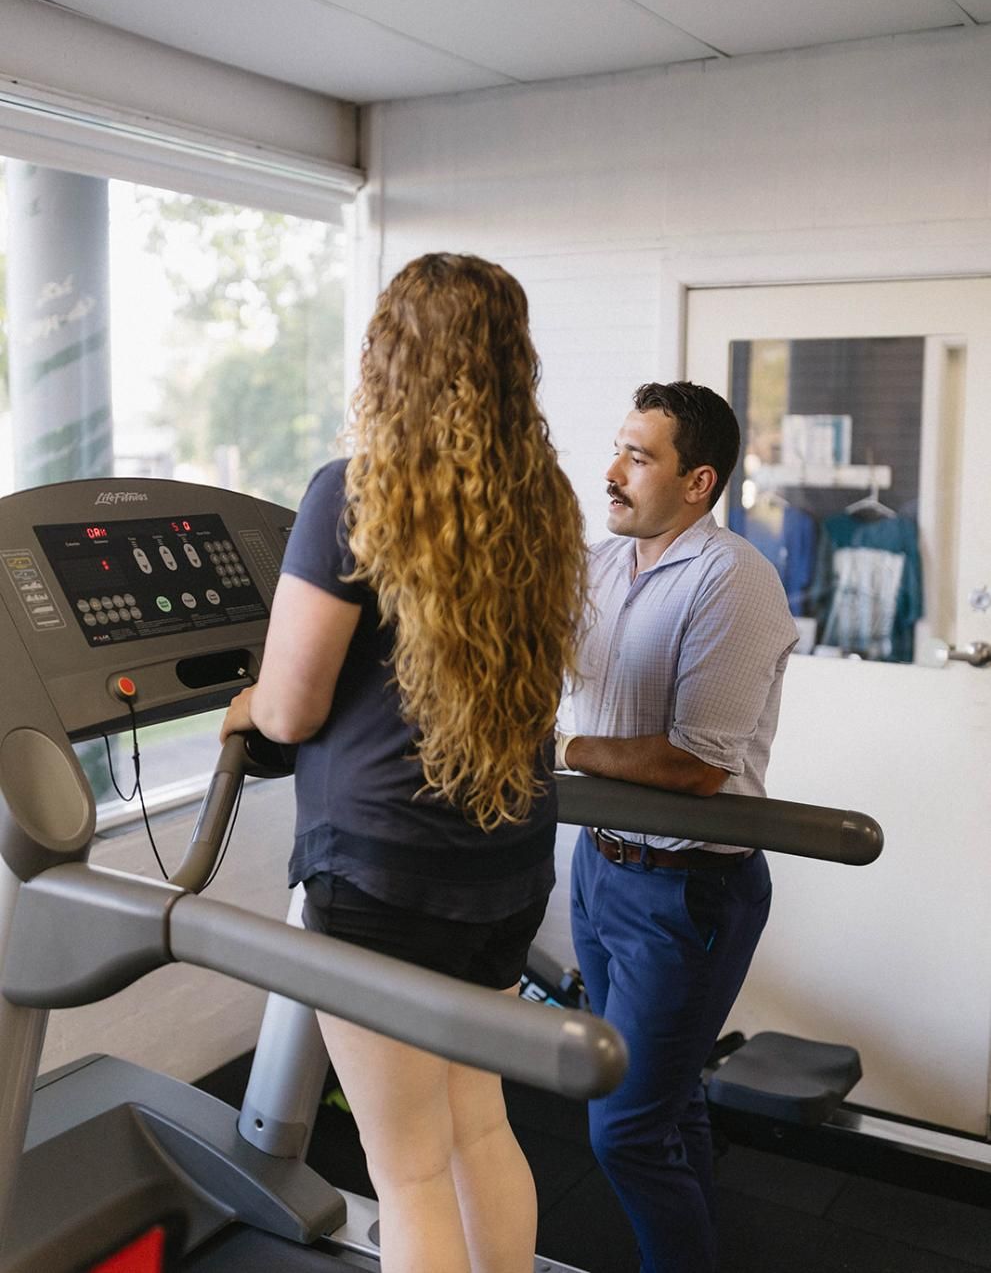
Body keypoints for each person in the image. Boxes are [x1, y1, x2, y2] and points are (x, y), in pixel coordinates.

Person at [221, 253, 587, 1273]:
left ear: (390, 355)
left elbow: (289, 709)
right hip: (505, 866)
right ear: (511, 363)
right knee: (476, 1126)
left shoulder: (355, 491)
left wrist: (245, 702)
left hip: (380, 879)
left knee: (409, 1169)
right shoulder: (544, 499)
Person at [555, 381, 797, 1273]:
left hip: (687, 887)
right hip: (600, 865)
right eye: (618, 450)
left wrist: (567, 748)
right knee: (664, 1106)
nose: (612, 474)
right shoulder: (601, 563)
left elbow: (696, 763)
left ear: (697, 482)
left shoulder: (734, 580)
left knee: (621, 1129)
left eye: (639, 457)